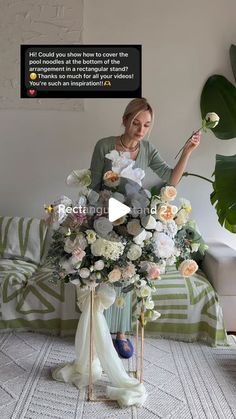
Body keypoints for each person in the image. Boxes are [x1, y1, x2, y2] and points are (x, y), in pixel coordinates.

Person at [89, 97, 201, 358]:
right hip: (106, 216)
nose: (140, 130)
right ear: (125, 120)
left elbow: (171, 177)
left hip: (134, 219)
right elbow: (94, 184)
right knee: (104, 274)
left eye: (146, 125)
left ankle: (121, 334)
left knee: (128, 273)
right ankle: (99, 329)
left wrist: (187, 152)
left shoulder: (147, 149)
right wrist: (96, 213)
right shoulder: (104, 145)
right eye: (136, 123)